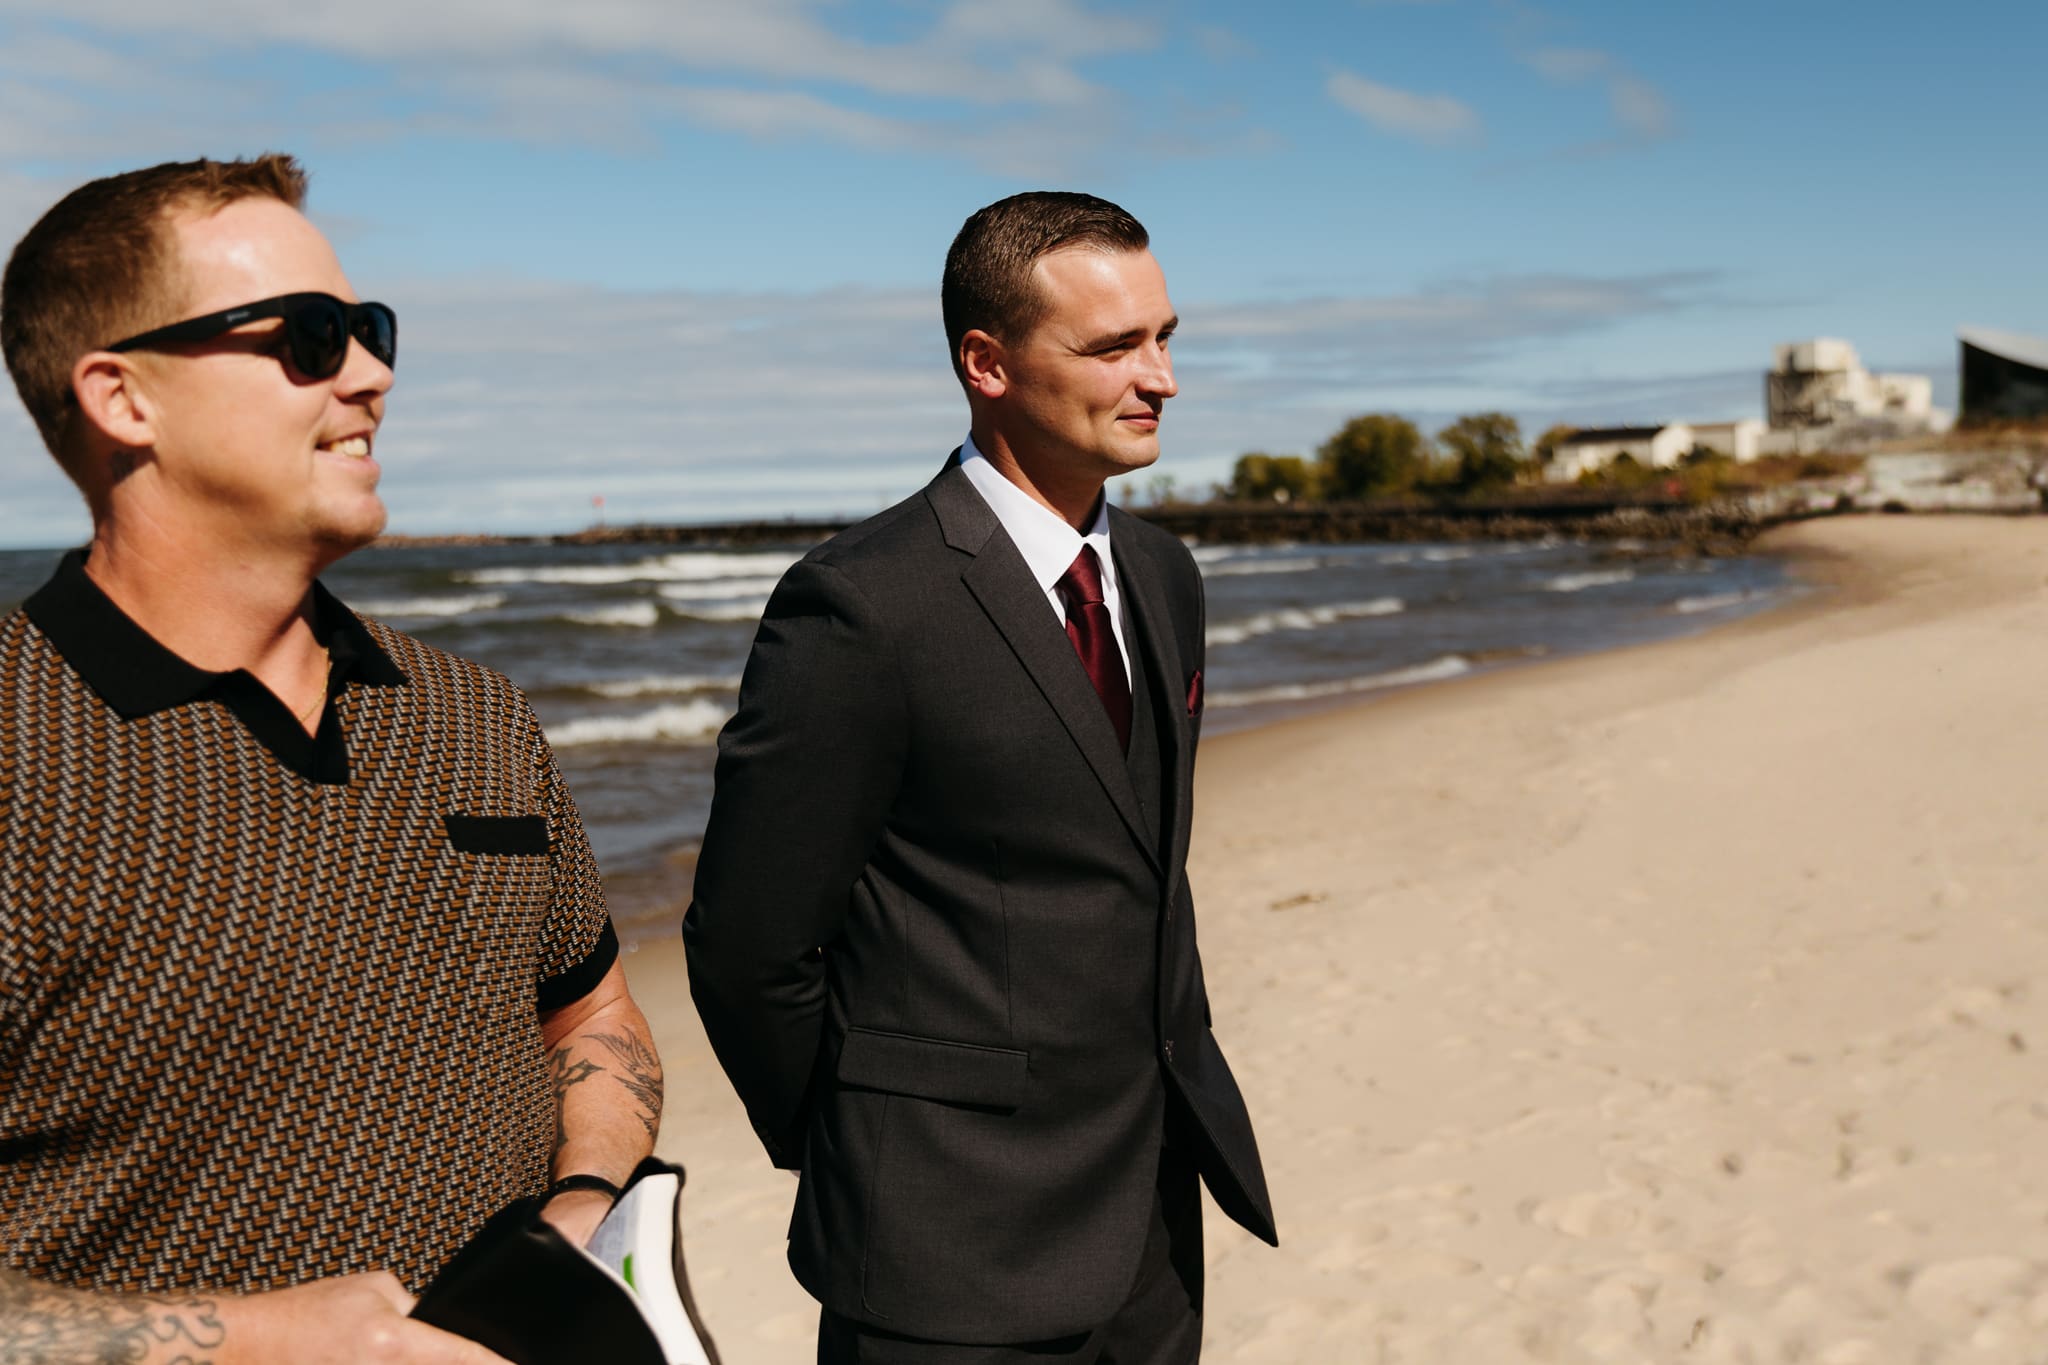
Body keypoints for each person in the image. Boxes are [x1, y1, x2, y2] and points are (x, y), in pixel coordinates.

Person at [0, 155, 664, 1364]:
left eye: (368, 329)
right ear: (121, 398)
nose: (372, 372)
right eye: (309, 339)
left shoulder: (472, 712)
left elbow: (591, 1015)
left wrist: (577, 1215)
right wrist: (246, 1340)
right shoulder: (16, 747)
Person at [684, 191, 1276, 1363]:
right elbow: (749, 946)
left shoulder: (1164, 575)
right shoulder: (863, 602)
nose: (1159, 377)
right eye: (1113, 346)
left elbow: (1134, 874)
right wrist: (872, 1139)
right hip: (942, 1253)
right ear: (985, 364)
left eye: (1165, 338)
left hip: (1152, 1215)